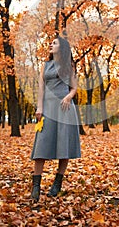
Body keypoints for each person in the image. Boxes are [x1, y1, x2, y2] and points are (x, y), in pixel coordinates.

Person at [30, 36, 81, 202]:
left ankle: (57, 182)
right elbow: (41, 88)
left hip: (65, 109)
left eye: (55, 43)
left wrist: (68, 97)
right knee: (41, 146)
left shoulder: (68, 66)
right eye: (51, 43)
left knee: (63, 146)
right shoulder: (45, 66)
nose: (51, 45)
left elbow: (74, 88)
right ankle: (36, 187)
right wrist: (39, 107)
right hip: (48, 109)